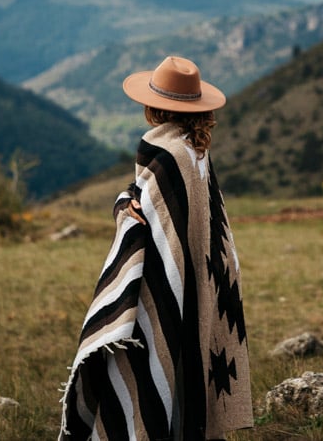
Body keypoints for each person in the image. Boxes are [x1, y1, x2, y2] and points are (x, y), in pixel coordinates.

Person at [60, 56, 253, 441]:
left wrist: (121, 207)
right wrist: (125, 200)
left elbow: (142, 217)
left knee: (152, 361)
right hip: (201, 279)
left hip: (161, 279)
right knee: (186, 362)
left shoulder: (162, 151)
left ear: (154, 106)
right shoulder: (194, 150)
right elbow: (151, 204)